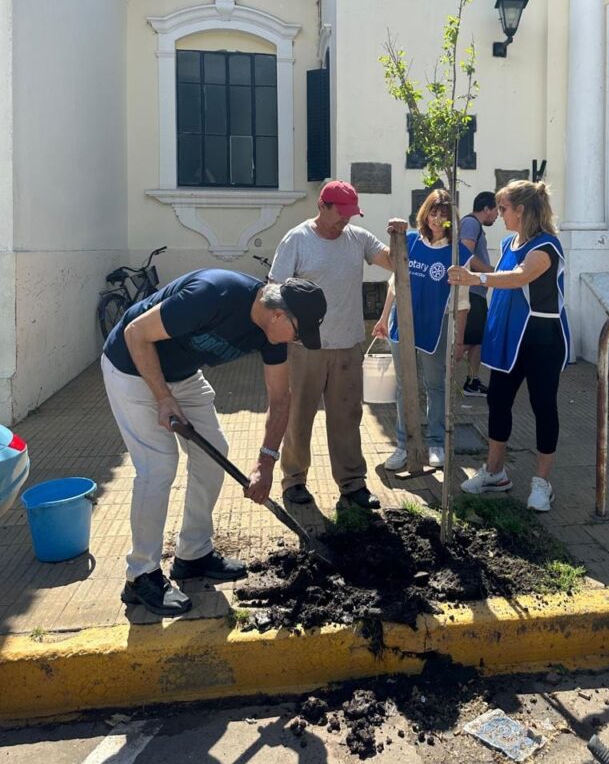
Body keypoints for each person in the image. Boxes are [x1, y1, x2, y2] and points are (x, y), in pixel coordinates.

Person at [101, 269, 327, 616]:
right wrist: (162, 397)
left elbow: (280, 398)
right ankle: (141, 575)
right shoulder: (213, 294)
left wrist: (265, 464)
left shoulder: (273, 335)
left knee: (213, 453)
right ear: (279, 314)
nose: (295, 342)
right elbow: (136, 333)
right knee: (159, 466)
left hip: (183, 375)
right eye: (298, 334)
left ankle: (192, 554)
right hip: (132, 367)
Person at [269, 180, 406, 509]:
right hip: (305, 348)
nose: (346, 220)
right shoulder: (298, 240)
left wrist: (399, 236)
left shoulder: (357, 239)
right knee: (299, 416)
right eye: (340, 213)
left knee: (347, 416)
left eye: (350, 214)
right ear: (322, 206)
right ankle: (294, 480)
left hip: (347, 346)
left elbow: (392, 261)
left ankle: (352, 483)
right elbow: (274, 291)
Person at [448, 180, 570, 512]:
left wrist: (478, 279)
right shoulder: (508, 242)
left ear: (521, 210)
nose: (498, 214)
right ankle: (495, 472)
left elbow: (519, 276)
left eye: (503, 209)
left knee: (543, 406)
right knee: (497, 400)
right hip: (507, 339)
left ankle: (542, 483)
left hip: (542, 339)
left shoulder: (547, 246)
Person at [372, 189, 470, 470]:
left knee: (435, 385)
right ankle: (404, 444)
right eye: (433, 212)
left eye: (444, 214)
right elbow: (395, 283)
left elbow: (462, 303)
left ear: (452, 219)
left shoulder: (457, 252)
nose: (437, 219)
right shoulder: (410, 242)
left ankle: (436, 441)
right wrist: (382, 319)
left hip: (435, 327)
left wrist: (460, 340)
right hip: (401, 323)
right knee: (404, 386)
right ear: (425, 213)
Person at [458, 191, 498, 396]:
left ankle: (472, 382)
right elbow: (465, 254)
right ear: (486, 209)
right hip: (471, 292)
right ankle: (440, 373)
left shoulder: (474, 225)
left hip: (477, 293)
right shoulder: (472, 223)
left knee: (477, 339)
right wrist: (490, 272)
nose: (498, 215)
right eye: (497, 210)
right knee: (464, 342)